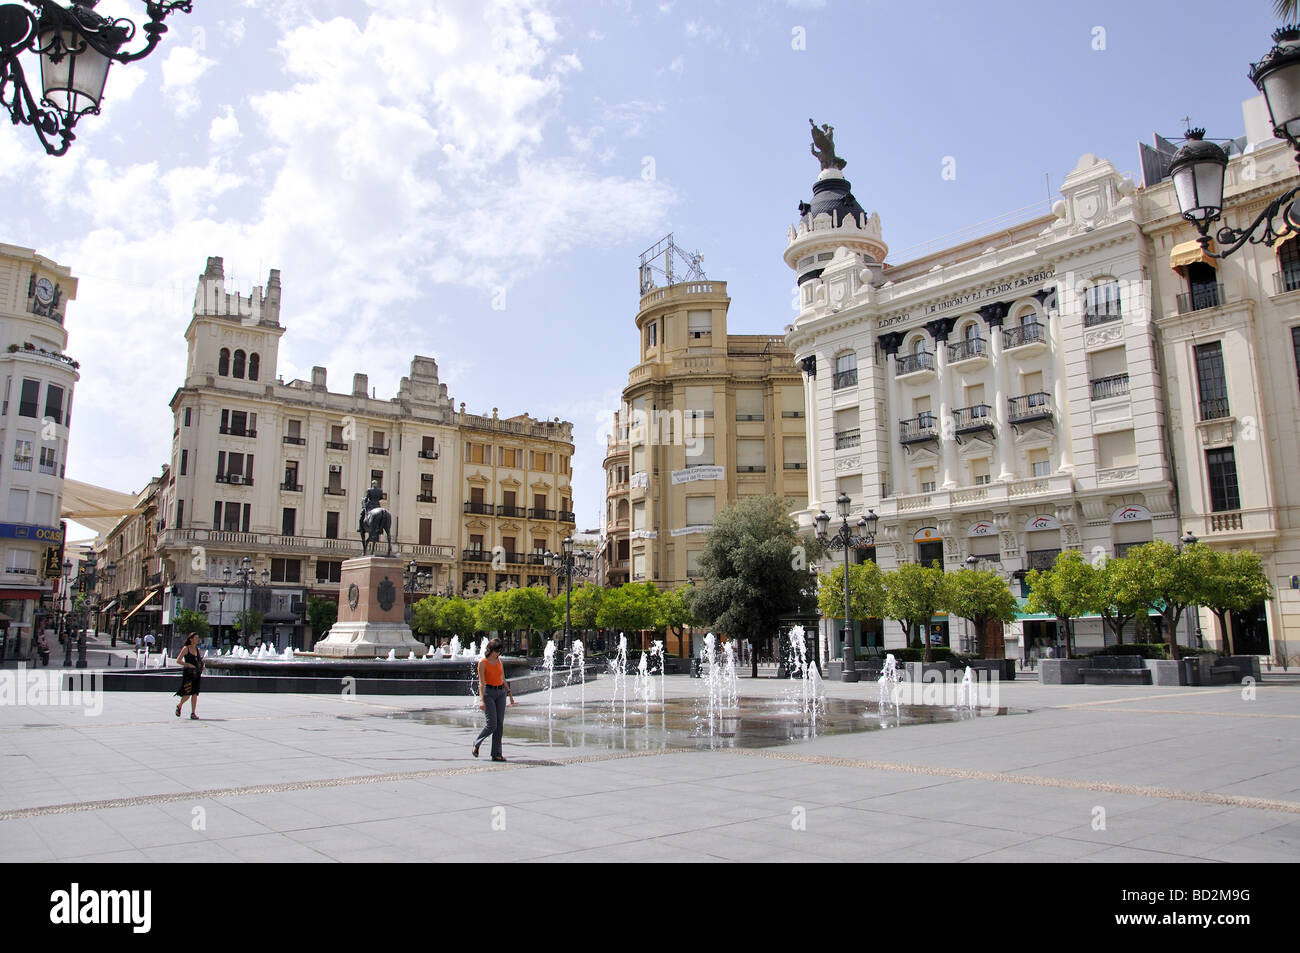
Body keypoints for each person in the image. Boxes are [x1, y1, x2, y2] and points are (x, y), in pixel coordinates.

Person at [472, 637, 514, 762]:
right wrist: (481, 700)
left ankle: (496, 754)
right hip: (488, 693)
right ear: (490, 650)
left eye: (500, 651)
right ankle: (477, 742)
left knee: (499, 725)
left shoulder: (499, 661)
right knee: (492, 724)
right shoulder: (482, 663)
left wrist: (509, 694)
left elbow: (502, 677)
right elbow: (481, 683)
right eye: (496, 651)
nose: (498, 653)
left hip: (500, 692)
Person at [174, 632, 204, 719]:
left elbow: (199, 660)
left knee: (195, 693)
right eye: (196, 638)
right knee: (187, 693)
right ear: (191, 639)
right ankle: (179, 705)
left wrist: (202, 666)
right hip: (188, 674)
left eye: (198, 638)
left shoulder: (197, 649)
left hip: (196, 674)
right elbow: (178, 660)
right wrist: (188, 664)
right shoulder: (186, 648)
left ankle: (193, 713)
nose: (197, 639)